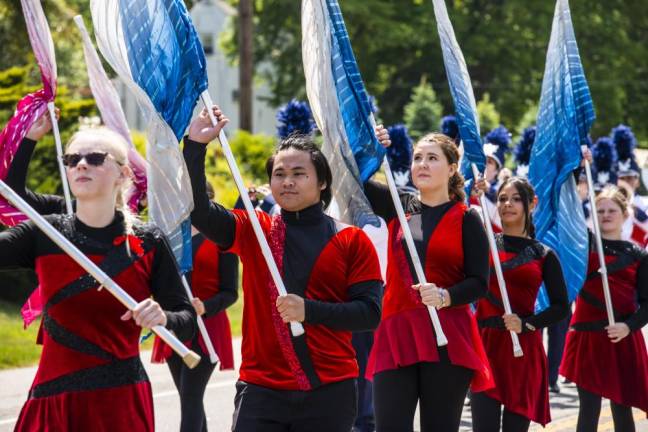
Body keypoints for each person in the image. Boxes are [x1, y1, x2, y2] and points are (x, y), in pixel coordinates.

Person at [183, 106, 384, 432]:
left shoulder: (352, 240)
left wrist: (309, 310)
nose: (287, 182)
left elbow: (369, 313)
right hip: (261, 390)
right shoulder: (255, 229)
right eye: (279, 174)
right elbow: (199, 212)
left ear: (322, 182)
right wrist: (195, 146)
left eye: (298, 173)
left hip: (330, 389)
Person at [2, 115, 196, 431]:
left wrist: (164, 318)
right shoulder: (44, 233)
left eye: (94, 159)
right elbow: (12, 192)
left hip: (121, 406)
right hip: (55, 402)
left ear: (123, 173)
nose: (81, 165)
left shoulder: (148, 241)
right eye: (73, 159)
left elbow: (186, 321)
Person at [365, 130, 493, 432]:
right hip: (396, 332)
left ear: (452, 169)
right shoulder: (398, 204)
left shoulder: (468, 218)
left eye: (432, 158)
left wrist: (445, 295)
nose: (422, 163)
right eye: (417, 157)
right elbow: (349, 176)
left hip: (446, 336)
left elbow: (479, 282)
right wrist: (372, 148)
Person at [471, 176, 568, 431]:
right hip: (486, 345)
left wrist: (527, 324)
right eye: (502, 199)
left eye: (516, 199)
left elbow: (561, 307)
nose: (507, 204)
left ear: (531, 204)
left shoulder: (544, 254)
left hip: (522, 349)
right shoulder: (483, 244)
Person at [151, 182, 239, 432]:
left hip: (206, 328)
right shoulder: (168, 237)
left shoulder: (222, 238)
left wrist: (205, 307)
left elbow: (231, 292)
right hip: (175, 325)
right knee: (190, 400)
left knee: (190, 399)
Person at [560, 186, 648, 432]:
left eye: (612, 210)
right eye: (600, 211)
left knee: (622, 406)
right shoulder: (583, 247)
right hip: (587, 338)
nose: (606, 215)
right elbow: (564, 213)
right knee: (588, 407)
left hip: (621, 336)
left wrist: (628, 326)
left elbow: (647, 303)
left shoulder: (639, 256)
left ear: (625, 213)